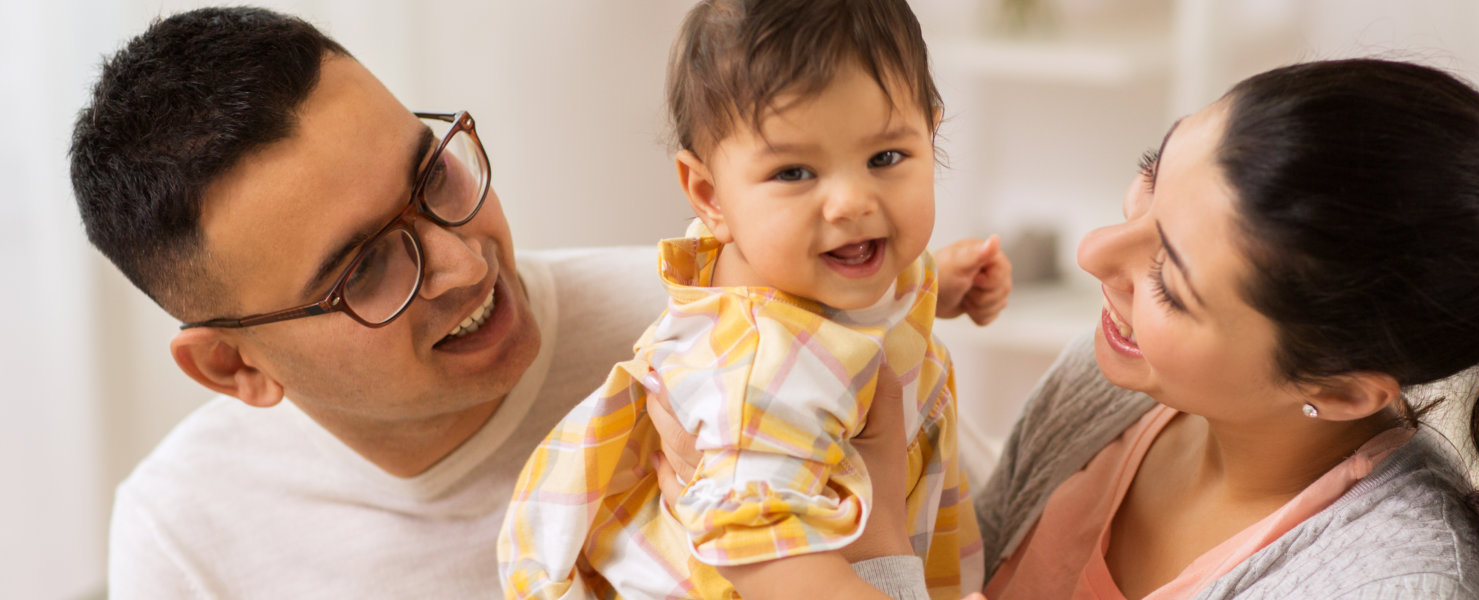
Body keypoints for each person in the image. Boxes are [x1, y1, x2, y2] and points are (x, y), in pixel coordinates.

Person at [662, 58, 1479, 599]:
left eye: (1170, 285)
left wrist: (860, 532)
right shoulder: (1115, 391)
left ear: (1353, 387)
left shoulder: (1387, 583)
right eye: (1148, 180)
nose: (1095, 255)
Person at [73, 7, 1001, 598]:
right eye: (364, 270)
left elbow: (995, 547)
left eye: (435, 174)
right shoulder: (186, 532)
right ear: (233, 365)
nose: (465, 264)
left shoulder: (754, 322)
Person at [498, 1, 1009, 598]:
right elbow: (762, 555)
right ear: (710, 193)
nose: (851, 202)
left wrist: (937, 285)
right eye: (795, 173)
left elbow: (871, 303)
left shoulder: (822, 266)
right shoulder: (764, 366)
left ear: (931, 134)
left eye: (885, 158)